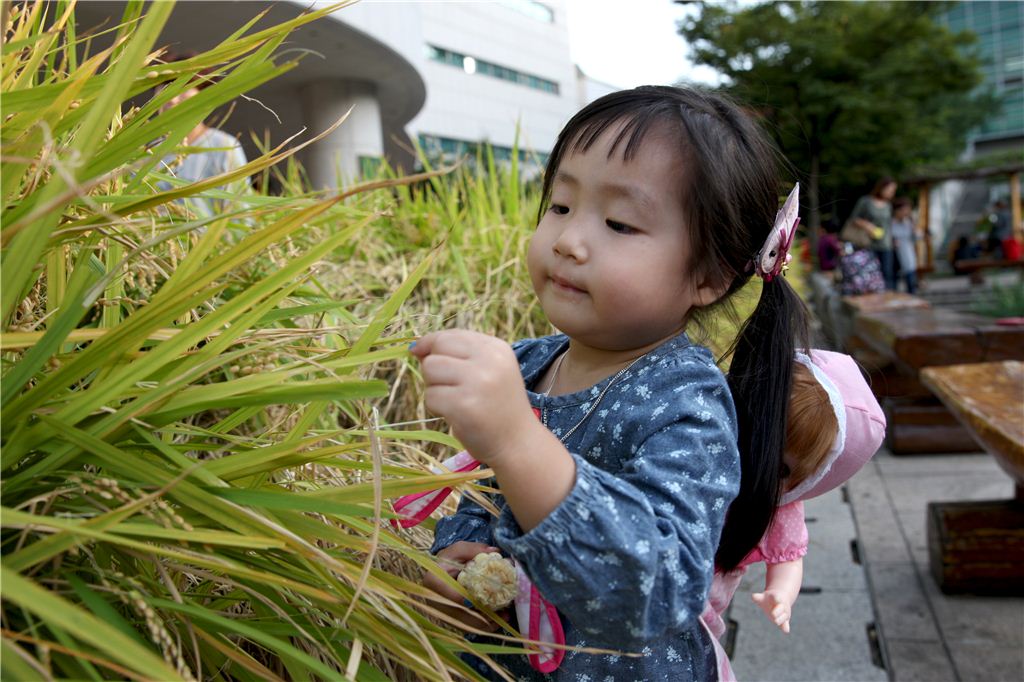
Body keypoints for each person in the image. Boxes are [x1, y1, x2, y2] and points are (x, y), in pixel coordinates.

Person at [408, 86, 809, 680]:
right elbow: (481, 493)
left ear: (710, 276)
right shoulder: (524, 365)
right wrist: (457, 553)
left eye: (619, 222)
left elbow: (659, 589)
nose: (569, 241)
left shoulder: (686, 403)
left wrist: (519, 440)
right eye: (561, 206)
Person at [700, 350, 886, 681]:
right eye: (752, 438)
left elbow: (789, 559)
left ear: (805, 482)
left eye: (783, 468)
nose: (760, 463)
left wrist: (781, 593)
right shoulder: (697, 456)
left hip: (704, 609)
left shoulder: (774, 507)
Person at [153, 52, 249, 219]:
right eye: (166, 89)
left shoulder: (224, 146)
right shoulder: (145, 151)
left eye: (184, 89)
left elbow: (240, 215)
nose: (173, 99)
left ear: (203, 95)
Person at [846, 177, 897, 290]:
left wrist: (893, 240)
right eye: (890, 189)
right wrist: (868, 226)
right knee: (870, 273)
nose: (891, 193)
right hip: (868, 244)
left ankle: (886, 298)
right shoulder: (866, 201)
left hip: (886, 244)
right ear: (882, 188)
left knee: (887, 273)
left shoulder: (888, 205)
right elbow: (854, 219)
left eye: (893, 191)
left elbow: (889, 225)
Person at [890, 197, 918, 293]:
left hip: (907, 254)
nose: (905, 212)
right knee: (893, 282)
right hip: (894, 256)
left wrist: (914, 228)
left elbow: (915, 238)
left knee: (911, 282)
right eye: (903, 210)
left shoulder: (909, 222)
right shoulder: (890, 223)